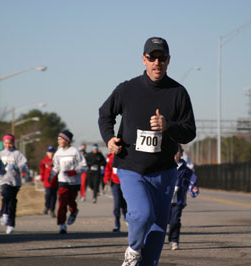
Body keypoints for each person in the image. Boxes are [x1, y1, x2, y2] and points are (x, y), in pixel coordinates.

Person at [98, 37, 196, 266]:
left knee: (156, 235)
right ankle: (132, 251)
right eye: (152, 58)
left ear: (168, 61)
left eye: (162, 58)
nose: (157, 63)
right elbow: (105, 114)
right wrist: (109, 138)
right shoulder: (127, 89)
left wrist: (168, 125)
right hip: (131, 166)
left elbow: (189, 131)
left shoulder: (178, 93)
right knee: (143, 215)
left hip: (164, 171)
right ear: (144, 59)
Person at [0, 134, 28, 234]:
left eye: (10, 143)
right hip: (3, 180)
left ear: (13, 143)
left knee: (12, 202)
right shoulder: (0, 155)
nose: (8, 145)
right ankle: (4, 214)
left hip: (15, 182)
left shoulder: (18, 154)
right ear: (3, 143)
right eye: (6, 143)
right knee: (5, 195)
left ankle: (11, 225)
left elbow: (24, 166)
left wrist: (16, 166)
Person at [48, 130, 87, 234]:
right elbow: (56, 166)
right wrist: (52, 175)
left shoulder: (75, 151)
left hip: (74, 182)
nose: (59, 141)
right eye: (58, 139)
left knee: (71, 201)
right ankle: (62, 225)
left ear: (67, 140)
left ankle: (74, 211)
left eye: (61, 139)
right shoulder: (58, 153)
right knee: (62, 203)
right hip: (62, 181)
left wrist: (74, 171)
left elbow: (84, 166)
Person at [167, 145, 199, 251]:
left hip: (178, 200)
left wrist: (193, 188)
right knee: (164, 221)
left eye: (178, 152)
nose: (176, 154)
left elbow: (192, 180)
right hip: (165, 199)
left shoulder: (185, 169)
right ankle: (164, 238)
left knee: (175, 220)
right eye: (174, 152)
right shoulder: (164, 167)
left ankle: (174, 240)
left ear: (181, 154)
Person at [103, 153, 127, 232]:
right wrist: (107, 178)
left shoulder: (127, 156)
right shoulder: (111, 157)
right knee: (117, 204)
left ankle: (126, 218)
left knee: (124, 203)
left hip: (126, 182)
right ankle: (117, 224)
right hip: (115, 183)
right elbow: (108, 169)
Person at [39, 145, 58, 218]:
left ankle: (52, 210)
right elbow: (42, 170)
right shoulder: (44, 161)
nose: (51, 154)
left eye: (52, 152)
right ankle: (47, 207)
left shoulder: (56, 161)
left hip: (55, 181)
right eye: (49, 152)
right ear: (47, 153)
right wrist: (42, 178)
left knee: (54, 196)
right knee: (48, 194)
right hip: (47, 182)